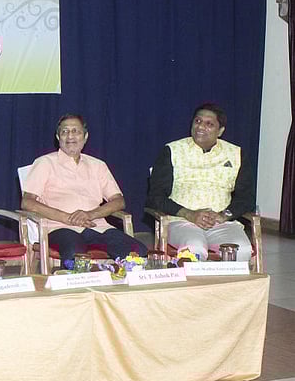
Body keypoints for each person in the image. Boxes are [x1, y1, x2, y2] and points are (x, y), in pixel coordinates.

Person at [21, 114, 146, 266]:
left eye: (76, 131)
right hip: (60, 227)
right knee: (76, 253)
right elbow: (27, 202)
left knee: (137, 251)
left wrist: (90, 214)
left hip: (97, 226)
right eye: (65, 132)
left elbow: (119, 201)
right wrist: (66, 217)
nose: (70, 136)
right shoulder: (45, 163)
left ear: (85, 137)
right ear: (57, 137)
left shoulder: (98, 165)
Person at [146, 103, 254, 261]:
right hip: (182, 220)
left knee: (241, 250)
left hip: (221, 221)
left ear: (221, 131)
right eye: (197, 121)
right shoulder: (172, 151)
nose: (201, 127)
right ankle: (196, 286)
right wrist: (189, 214)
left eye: (209, 124)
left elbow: (247, 197)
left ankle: (224, 286)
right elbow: (155, 197)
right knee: (194, 250)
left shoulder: (236, 154)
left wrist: (224, 215)